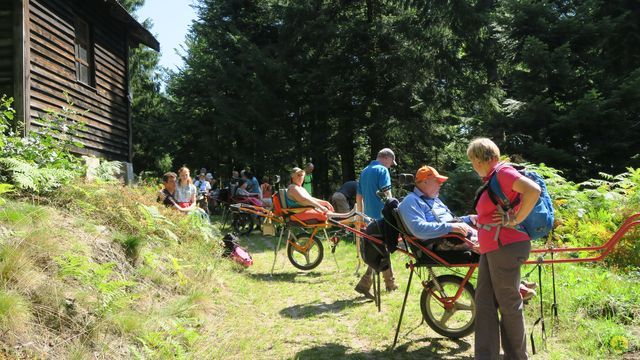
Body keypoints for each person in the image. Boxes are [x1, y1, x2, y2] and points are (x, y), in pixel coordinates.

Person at [468, 138, 541, 360]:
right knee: (484, 302)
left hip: (506, 246)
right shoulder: (493, 177)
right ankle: (486, 355)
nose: (473, 166)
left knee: (508, 304)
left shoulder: (503, 172)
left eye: (473, 160)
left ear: (484, 159)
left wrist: (514, 218)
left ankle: (517, 357)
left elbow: (533, 190)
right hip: (494, 247)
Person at [397, 165, 478, 248]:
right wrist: (450, 227)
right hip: (441, 243)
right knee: (488, 246)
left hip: (457, 238)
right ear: (425, 182)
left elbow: (449, 222)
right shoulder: (410, 201)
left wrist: (469, 219)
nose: (441, 184)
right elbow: (418, 229)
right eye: (438, 181)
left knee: (488, 238)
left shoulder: (434, 199)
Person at [355, 148, 398, 299]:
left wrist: (360, 216)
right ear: (386, 158)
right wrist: (395, 212)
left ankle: (390, 283)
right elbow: (387, 194)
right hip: (382, 217)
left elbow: (359, 196)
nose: (391, 166)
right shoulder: (382, 170)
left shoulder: (365, 171)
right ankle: (365, 284)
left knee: (380, 249)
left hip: (368, 218)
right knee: (381, 250)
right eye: (391, 162)